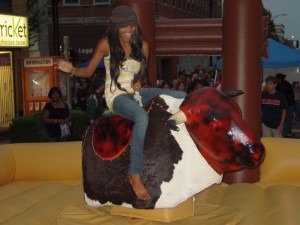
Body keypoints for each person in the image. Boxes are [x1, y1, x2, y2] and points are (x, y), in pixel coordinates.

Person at [57, 5, 186, 200]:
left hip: (135, 94)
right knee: (141, 117)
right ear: (114, 25)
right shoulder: (105, 44)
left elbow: (142, 77)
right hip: (116, 97)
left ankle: (177, 126)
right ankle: (135, 174)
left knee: (180, 95)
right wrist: (72, 70)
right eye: (123, 26)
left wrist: (139, 83)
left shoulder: (143, 45)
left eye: (131, 25)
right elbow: (88, 72)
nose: (128, 30)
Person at [275, 73, 295, 137]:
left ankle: (284, 132)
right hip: (289, 103)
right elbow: (292, 95)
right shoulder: (288, 84)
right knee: (288, 118)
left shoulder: (278, 85)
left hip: (283, 104)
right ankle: (288, 132)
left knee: (283, 118)